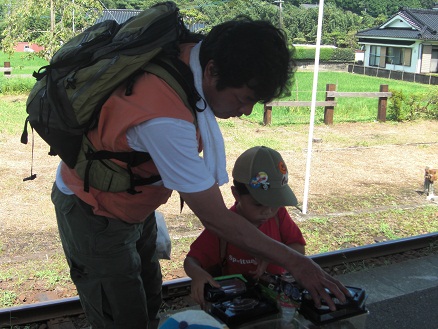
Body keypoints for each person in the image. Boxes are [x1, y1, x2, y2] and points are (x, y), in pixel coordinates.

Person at [51, 16, 350, 329]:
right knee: (122, 317)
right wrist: (295, 261)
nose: (246, 111)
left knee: (148, 299)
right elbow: (216, 218)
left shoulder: (192, 53)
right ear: (211, 71)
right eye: (244, 98)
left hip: (135, 207)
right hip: (96, 211)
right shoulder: (165, 117)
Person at [184, 146, 306, 307]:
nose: (268, 211)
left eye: (275, 203)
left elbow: (299, 248)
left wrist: (272, 255)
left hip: (277, 299)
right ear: (236, 194)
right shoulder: (224, 225)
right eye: (258, 204)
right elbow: (191, 261)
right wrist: (198, 275)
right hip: (238, 303)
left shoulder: (279, 215)